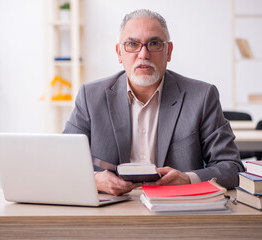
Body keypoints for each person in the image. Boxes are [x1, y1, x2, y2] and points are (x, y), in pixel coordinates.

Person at [63, 9, 244, 196]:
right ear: (119, 53)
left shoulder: (202, 96)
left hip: (177, 211)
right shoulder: (90, 97)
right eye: (132, 44)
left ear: (169, 52)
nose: (143, 54)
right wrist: (94, 180)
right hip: (111, 211)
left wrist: (187, 179)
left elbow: (232, 168)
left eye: (154, 43)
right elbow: (63, 162)